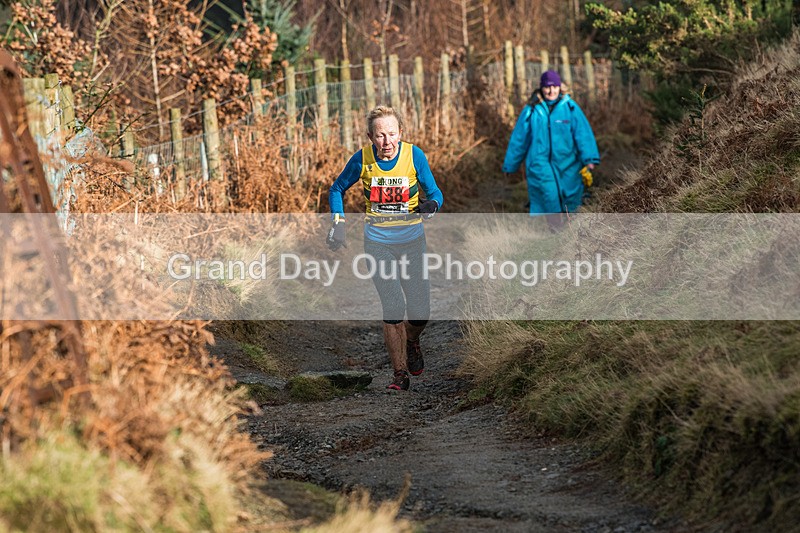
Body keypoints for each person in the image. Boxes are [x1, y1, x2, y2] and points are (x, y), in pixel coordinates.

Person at [327, 105, 444, 391]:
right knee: (393, 305)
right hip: (378, 243)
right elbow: (336, 189)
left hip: (412, 241)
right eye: (380, 135)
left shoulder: (414, 155)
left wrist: (432, 205)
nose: (387, 141)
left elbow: (435, 192)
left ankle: (412, 340)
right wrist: (338, 223)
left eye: (392, 134)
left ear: (400, 133)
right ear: (370, 137)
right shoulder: (362, 160)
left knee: (420, 312)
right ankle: (399, 375)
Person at [502, 69, 600, 221]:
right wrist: (511, 165)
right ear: (541, 88)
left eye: (554, 86)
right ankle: (555, 230)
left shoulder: (570, 107)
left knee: (571, 200)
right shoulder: (531, 110)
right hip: (540, 164)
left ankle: (569, 229)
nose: (551, 91)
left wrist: (589, 158)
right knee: (550, 197)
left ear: (560, 87)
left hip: (568, 162)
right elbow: (519, 139)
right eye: (547, 87)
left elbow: (582, 134)